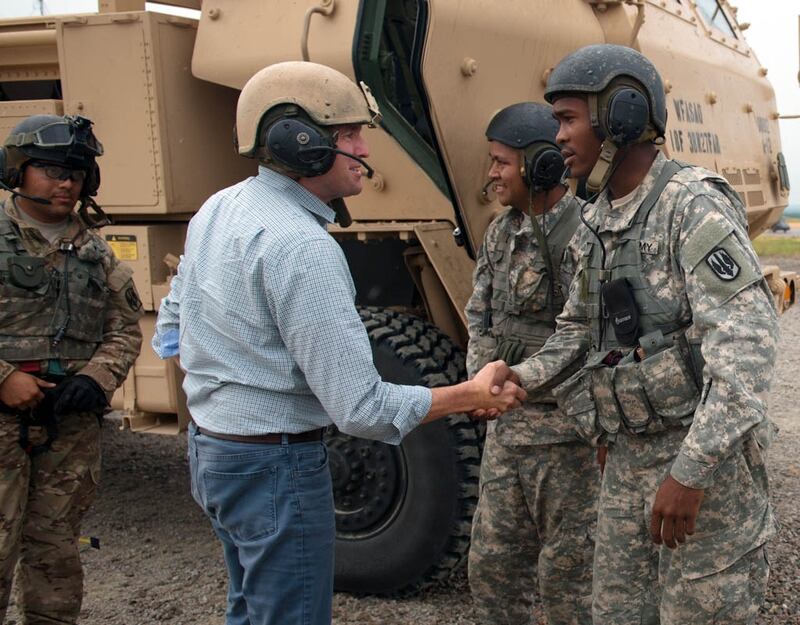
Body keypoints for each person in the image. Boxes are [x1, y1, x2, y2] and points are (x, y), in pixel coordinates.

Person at [152, 61, 525, 625]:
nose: (364, 151)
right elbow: (361, 410)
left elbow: (171, 327)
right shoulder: (302, 246)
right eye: (349, 135)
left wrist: (229, 376)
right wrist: (469, 394)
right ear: (298, 142)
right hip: (273, 467)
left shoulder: (220, 207)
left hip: (217, 453)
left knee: (251, 610)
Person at [511, 44, 779, 625]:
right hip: (628, 462)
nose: (556, 137)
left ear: (622, 114)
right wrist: (514, 378)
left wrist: (690, 472)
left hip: (703, 468)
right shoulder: (596, 217)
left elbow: (748, 346)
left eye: (567, 119)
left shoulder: (691, 205)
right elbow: (577, 332)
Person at [0, 114, 143, 624]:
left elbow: (125, 330)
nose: (67, 183)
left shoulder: (96, 253)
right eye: (52, 170)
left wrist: (94, 379)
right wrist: (6, 378)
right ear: (18, 171)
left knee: (56, 550)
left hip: (68, 425)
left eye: (77, 173)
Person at [465, 102, 598, 625]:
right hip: (508, 432)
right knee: (493, 569)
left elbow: (587, 335)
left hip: (568, 441)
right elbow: (480, 316)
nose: (492, 173)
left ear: (540, 165)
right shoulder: (501, 232)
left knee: (569, 581)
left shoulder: (587, 233)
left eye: (501, 162)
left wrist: (519, 381)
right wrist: (483, 386)